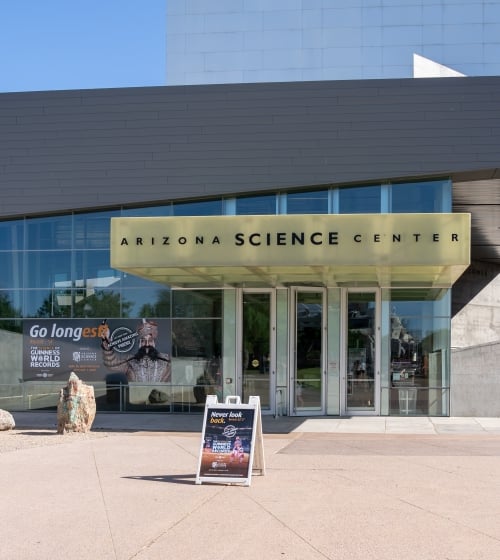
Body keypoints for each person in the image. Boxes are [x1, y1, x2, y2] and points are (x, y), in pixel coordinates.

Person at [101, 319, 171, 382]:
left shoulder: (166, 360)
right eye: (143, 341)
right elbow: (111, 364)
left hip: (158, 395)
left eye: (150, 341)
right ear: (139, 343)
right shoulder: (131, 361)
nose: (147, 344)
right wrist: (107, 342)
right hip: (135, 396)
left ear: (154, 343)